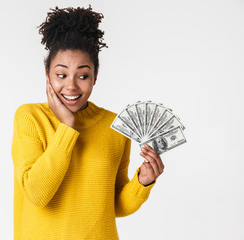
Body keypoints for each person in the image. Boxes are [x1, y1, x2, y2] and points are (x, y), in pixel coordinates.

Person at [11, 6, 164, 239]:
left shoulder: (114, 125)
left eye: (83, 76)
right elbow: (37, 194)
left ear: (95, 77)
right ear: (47, 74)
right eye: (61, 75)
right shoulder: (30, 117)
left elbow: (113, 205)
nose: (71, 86)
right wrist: (67, 126)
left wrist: (142, 182)